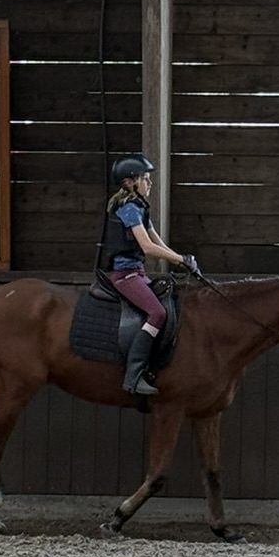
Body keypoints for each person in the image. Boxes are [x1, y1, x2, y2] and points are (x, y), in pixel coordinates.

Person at [98, 154, 197, 397]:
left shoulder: (140, 207)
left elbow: (158, 242)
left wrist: (183, 261)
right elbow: (148, 248)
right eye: (144, 178)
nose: (149, 183)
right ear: (129, 183)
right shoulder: (129, 208)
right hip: (125, 275)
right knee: (157, 312)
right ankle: (133, 375)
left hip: (138, 273)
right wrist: (179, 259)